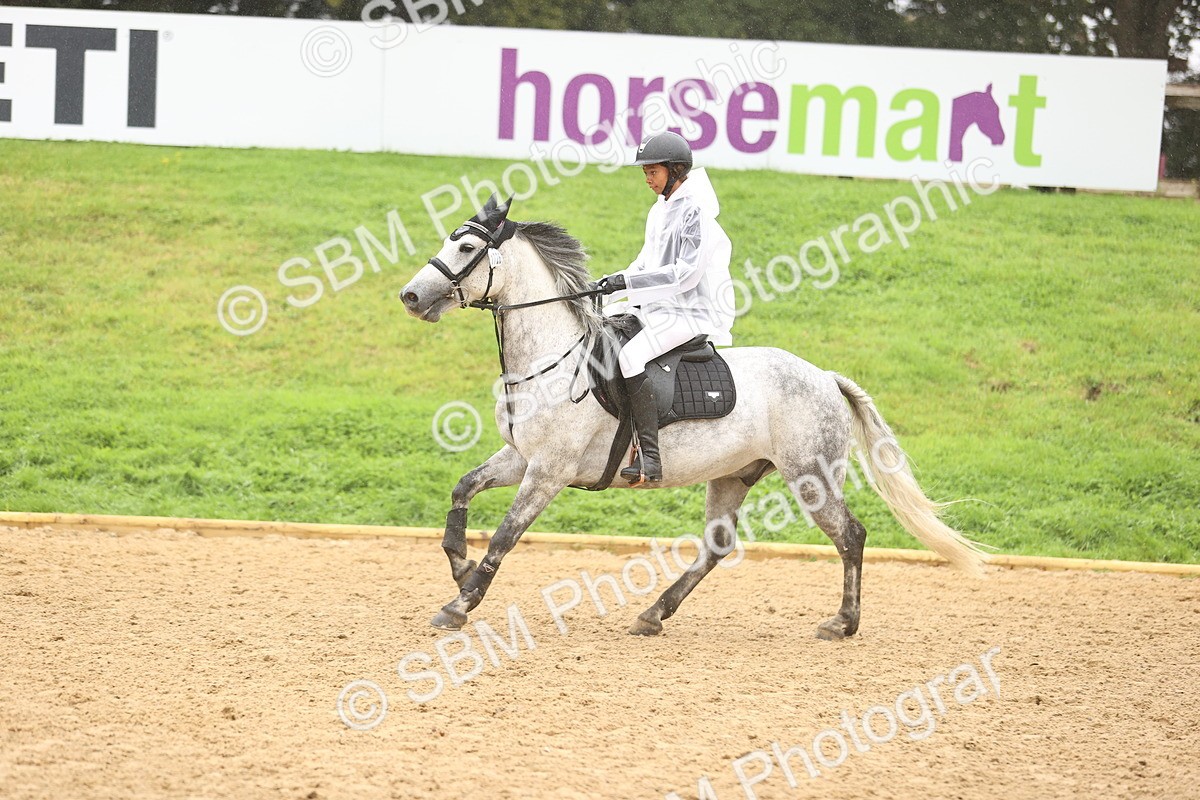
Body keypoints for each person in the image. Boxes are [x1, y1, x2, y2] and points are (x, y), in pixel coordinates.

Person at [597, 131, 735, 485]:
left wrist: (626, 285)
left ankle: (651, 458)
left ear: (675, 170)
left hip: (692, 311)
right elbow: (645, 264)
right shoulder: (659, 210)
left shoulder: (695, 212)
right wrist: (610, 284)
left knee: (630, 357)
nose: (647, 179)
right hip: (661, 307)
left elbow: (685, 275)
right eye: (645, 172)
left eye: (653, 172)